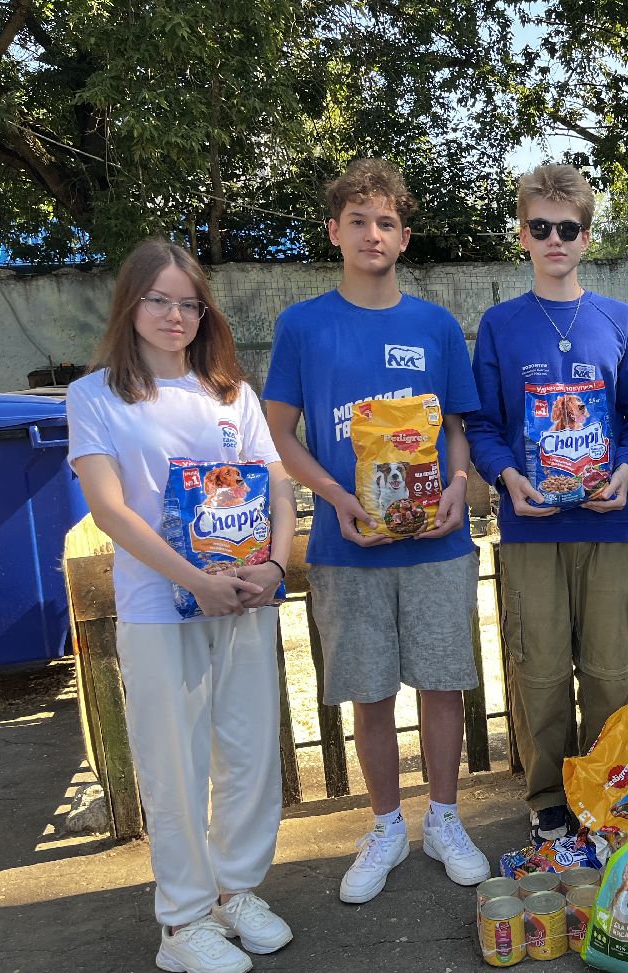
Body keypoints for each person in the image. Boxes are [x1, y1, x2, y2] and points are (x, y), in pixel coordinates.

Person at [66, 239, 294, 973]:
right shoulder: (94, 396)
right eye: (158, 300)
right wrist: (194, 578)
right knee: (174, 763)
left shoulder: (234, 395)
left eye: (188, 302)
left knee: (250, 754)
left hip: (245, 603)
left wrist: (273, 562)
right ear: (130, 305)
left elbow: (277, 486)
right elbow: (110, 508)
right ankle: (183, 918)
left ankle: (236, 891)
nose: (174, 315)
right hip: (160, 610)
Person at [263, 159, 490, 903]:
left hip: (437, 543)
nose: (371, 233)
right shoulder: (301, 326)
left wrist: (458, 486)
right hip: (345, 546)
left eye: (385, 221)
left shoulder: (433, 326)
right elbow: (280, 437)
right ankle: (386, 824)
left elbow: (458, 430)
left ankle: (446, 819)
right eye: (357, 220)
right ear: (334, 231)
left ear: (404, 236)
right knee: (369, 694)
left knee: (444, 685)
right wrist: (332, 498)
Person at [465, 164, 628, 846]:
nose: (554, 240)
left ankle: (605, 794)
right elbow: (481, 423)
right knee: (539, 671)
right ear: (523, 234)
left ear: (586, 237)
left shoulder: (619, 320)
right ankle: (547, 797)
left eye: (567, 229)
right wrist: (508, 477)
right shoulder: (500, 325)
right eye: (540, 227)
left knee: (608, 669)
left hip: (604, 522)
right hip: (530, 525)